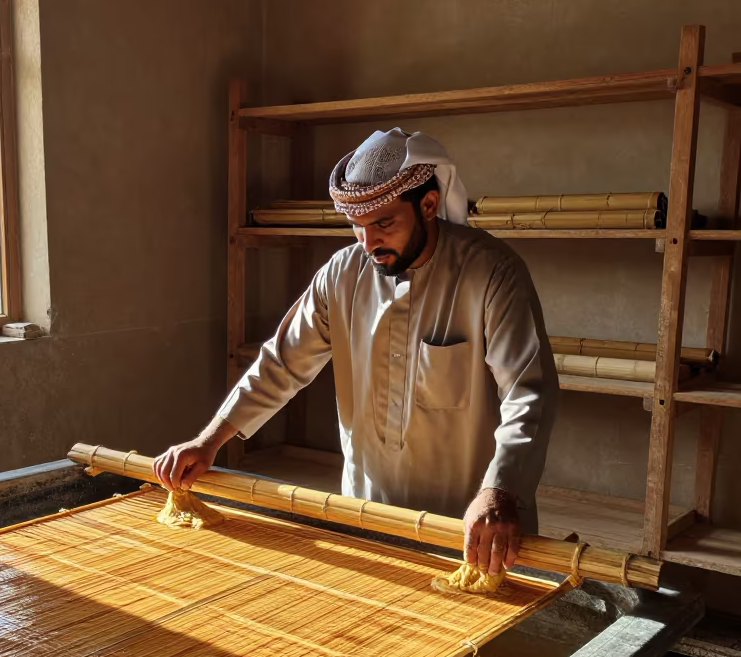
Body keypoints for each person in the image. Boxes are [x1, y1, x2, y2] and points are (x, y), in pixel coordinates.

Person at [154, 128, 558, 578]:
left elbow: (529, 393)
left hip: (471, 529)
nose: (368, 244)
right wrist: (209, 440)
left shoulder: (492, 274)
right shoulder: (341, 276)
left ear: (427, 206)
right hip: (367, 519)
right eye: (358, 228)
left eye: (383, 224)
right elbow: (280, 363)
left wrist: (500, 490)